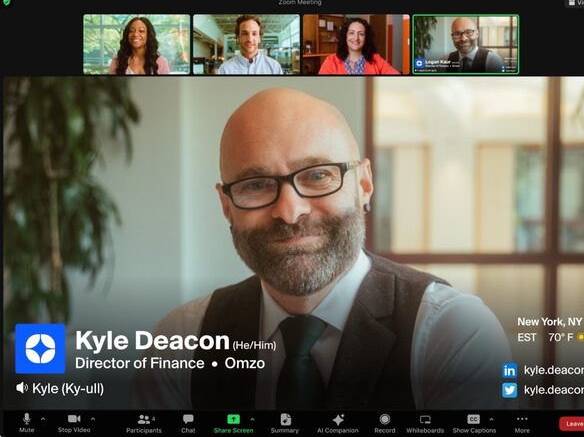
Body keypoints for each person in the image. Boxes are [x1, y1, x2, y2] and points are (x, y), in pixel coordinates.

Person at [130, 88, 512, 410]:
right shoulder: (182, 341)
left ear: (363, 184)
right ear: (227, 206)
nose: (290, 212)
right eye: (256, 185)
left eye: (317, 176)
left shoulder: (452, 335)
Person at [318, 18, 400, 75]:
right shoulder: (330, 62)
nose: (356, 38)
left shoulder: (376, 59)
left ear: (366, 38)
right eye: (351, 33)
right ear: (345, 36)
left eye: (361, 34)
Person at [218, 15, 283, 75]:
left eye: (254, 34)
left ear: (259, 38)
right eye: (245, 33)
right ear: (238, 38)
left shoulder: (274, 67)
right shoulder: (225, 69)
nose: (250, 39)